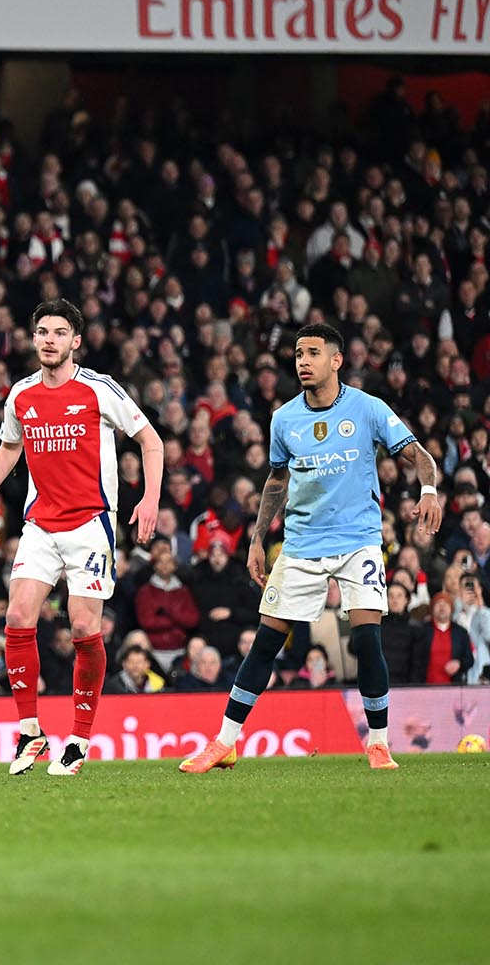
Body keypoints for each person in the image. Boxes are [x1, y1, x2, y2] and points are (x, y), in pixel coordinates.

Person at [182, 323, 444, 773]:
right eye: (299, 354)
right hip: (302, 543)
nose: (303, 361)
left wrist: (428, 491)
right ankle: (224, 742)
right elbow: (277, 481)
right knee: (266, 642)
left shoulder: (368, 409)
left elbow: (419, 454)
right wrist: (258, 538)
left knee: (366, 635)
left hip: (358, 540)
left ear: (336, 360)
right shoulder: (284, 418)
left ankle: (378, 744)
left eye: (313, 353)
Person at [0, 298, 165, 777]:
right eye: (42, 332)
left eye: (59, 333)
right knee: (18, 615)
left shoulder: (99, 389)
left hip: (91, 525)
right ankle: (30, 733)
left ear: (75, 341)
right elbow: (10, 446)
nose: (49, 340)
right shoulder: (20, 394)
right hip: (39, 524)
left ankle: (79, 740)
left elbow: (151, 440)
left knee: (84, 629)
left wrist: (149, 499)